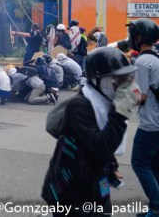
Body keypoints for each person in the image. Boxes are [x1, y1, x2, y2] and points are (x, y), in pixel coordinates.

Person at [42, 47, 141, 216]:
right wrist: (120, 113)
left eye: (126, 79)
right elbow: (101, 145)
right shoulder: (79, 107)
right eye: (117, 79)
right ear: (97, 80)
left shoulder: (103, 101)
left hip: (93, 179)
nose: (123, 85)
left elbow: (102, 139)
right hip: (70, 189)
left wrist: (110, 165)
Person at [124, 18, 159, 217]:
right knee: (154, 165)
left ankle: (156, 206)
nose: (131, 37)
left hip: (151, 124)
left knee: (139, 163)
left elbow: (141, 96)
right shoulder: (156, 57)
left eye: (134, 33)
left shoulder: (144, 61)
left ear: (140, 37)